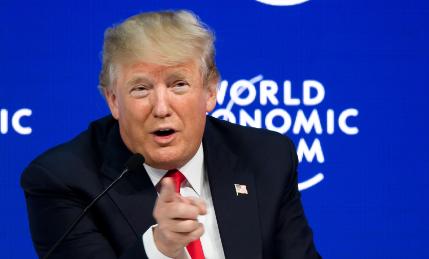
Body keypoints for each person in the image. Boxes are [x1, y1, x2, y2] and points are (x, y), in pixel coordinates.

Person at [21, 10, 321, 259]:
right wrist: (160, 248)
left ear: (210, 91)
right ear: (113, 100)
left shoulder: (266, 157)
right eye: (141, 88)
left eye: (179, 84)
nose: (161, 108)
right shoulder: (62, 179)